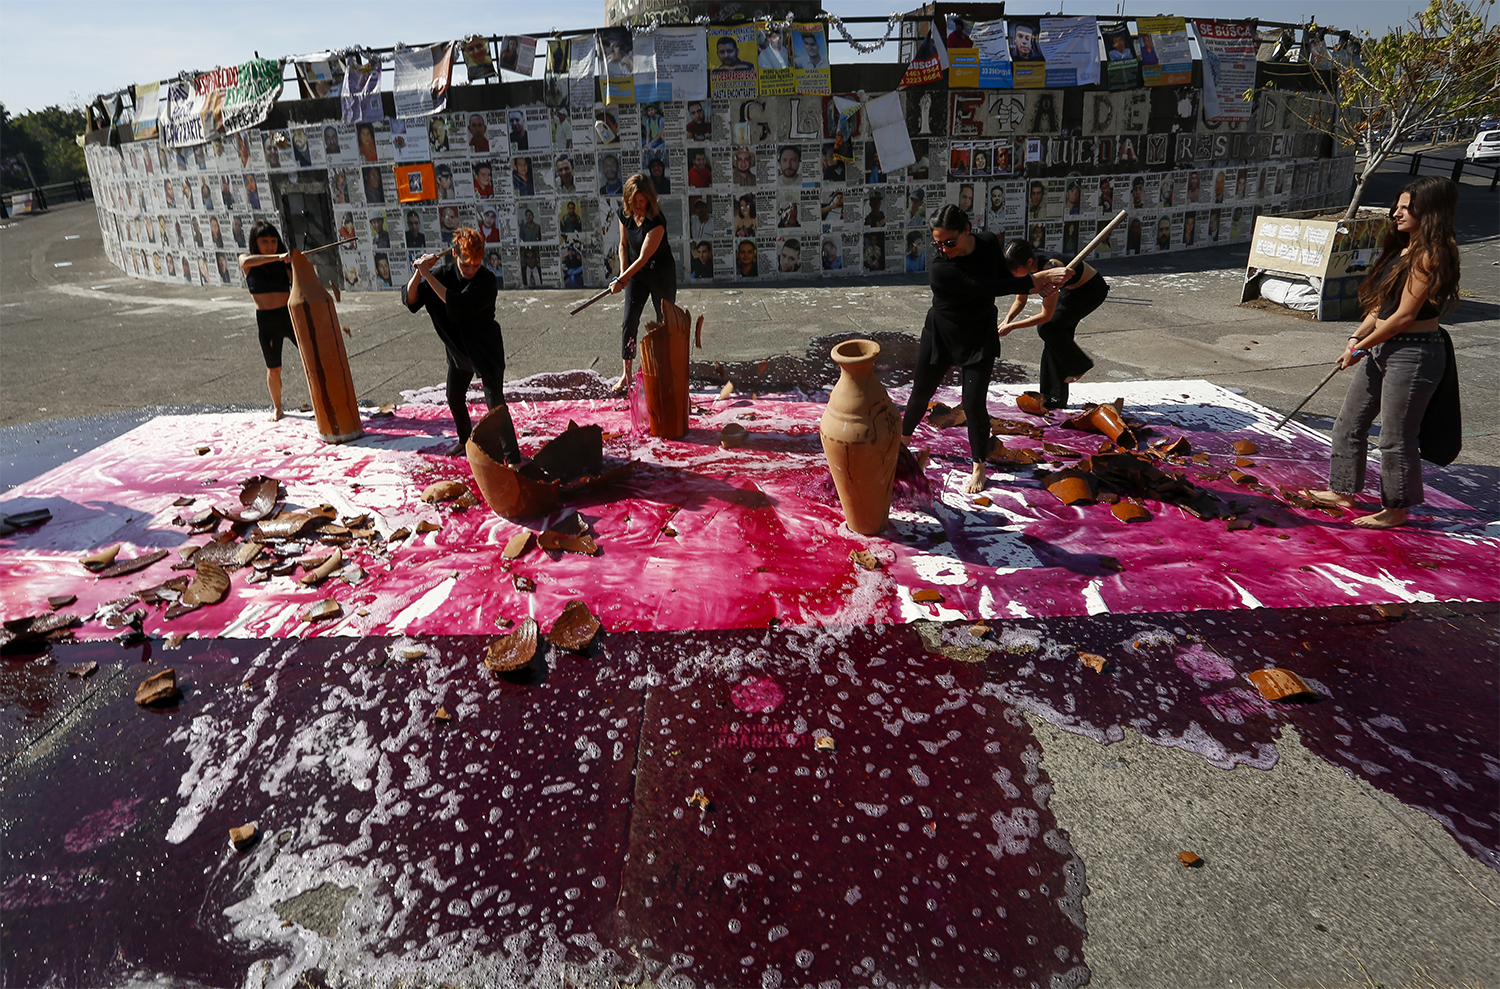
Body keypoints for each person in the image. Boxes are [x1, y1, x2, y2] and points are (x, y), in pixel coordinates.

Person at [1302, 178, 1461, 528]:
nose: (1396, 213)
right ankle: (1342, 489)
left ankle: (1396, 508)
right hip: (1383, 346)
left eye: (1407, 207)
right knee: (1350, 421)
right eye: (1398, 206)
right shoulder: (1404, 250)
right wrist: (1355, 338)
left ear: (1430, 212)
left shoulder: (1431, 254)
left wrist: (1362, 347)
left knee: (1395, 436)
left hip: (1414, 354)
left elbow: (1404, 316)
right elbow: (1382, 308)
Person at [904, 205, 1072, 494]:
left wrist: (1036, 285)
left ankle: (978, 465)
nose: (944, 249)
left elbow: (1000, 277)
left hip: (978, 332)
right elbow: (985, 287)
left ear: (966, 230)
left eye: (949, 242)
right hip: (943, 332)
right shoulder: (939, 268)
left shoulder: (988, 243)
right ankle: (901, 444)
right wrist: (1040, 281)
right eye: (937, 243)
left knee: (973, 403)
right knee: (920, 393)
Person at [406, 228, 522, 461]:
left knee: (495, 405)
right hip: (458, 350)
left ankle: (514, 459)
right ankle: (464, 439)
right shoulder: (443, 273)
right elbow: (410, 299)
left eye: (475, 265)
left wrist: (427, 275)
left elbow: (457, 303)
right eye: (465, 265)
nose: (470, 270)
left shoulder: (487, 280)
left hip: (484, 350)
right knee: (454, 396)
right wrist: (420, 272)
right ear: (455, 255)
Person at [1000, 236, 1107, 412]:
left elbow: (1045, 315)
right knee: (1055, 340)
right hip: (1070, 290)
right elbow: (1020, 298)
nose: (1011, 273)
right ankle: (1053, 398)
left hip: (1090, 291)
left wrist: (1012, 327)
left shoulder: (1051, 269)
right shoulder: (1028, 267)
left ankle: (1080, 364)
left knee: (1048, 328)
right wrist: (1006, 320)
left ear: (1028, 262)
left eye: (1014, 269)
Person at [607, 173, 677, 395]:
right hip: (637, 274)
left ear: (650, 199)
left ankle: (665, 372)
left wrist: (621, 279)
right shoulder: (624, 214)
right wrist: (623, 274)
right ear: (628, 200)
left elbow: (644, 258)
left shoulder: (657, 221)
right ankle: (626, 376)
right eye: (635, 200)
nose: (639, 205)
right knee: (629, 321)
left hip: (661, 274)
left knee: (664, 324)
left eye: (643, 200)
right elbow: (623, 245)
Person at [239, 221, 313, 422]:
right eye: (265, 242)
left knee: (311, 360)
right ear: (255, 243)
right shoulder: (247, 260)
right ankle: (278, 407)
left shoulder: (283, 262)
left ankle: (321, 399)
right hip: (266, 322)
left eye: (273, 241)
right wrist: (276, 257)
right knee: (274, 368)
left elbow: (300, 282)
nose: (270, 245)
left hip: (288, 316)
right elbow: (245, 262)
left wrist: (297, 263)